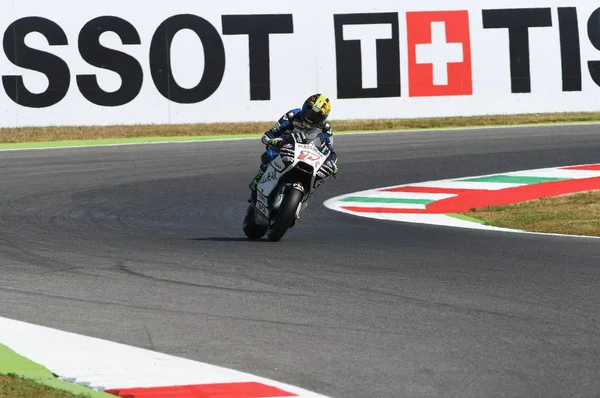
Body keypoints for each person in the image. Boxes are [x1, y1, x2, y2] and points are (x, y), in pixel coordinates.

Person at [249, 93, 338, 191]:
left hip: (308, 156)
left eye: (316, 116)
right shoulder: (293, 115)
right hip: (286, 147)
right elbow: (272, 133)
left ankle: (306, 192)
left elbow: (330, 150)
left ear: (323, 118)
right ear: (304, 106)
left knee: (323, 173)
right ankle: (260, 177)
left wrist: (332, 163)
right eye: (309, 110)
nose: (309, 117)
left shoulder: (326, 128)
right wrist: (272, 141)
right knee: (269, 154)